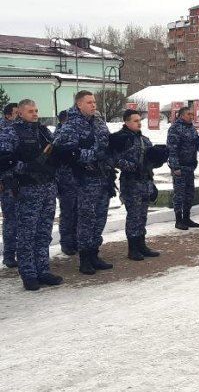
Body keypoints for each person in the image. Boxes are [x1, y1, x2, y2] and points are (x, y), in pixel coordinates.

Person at [0, 99, 62, 290]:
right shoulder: (11, 132)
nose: (35, 114)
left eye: (36, 110)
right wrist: (26, 167)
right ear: (19, 112)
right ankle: (28, 274)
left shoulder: (43, 130)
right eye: (30, 111)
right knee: (27, 234)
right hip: (27, 190)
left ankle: (43, 270)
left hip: (47, 188)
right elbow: (4, 161)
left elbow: (53, 151)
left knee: (44, 233)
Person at [53, 90, 114, 275]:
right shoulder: (70, 126)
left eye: (94, 102)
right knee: (86, 220)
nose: (93, 105)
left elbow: (107, 145)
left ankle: (95, 253)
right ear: (79, 104)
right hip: (83, 180)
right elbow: (69, 153)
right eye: (89, 102)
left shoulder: (99, 122)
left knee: (100, 217)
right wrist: (95, 155)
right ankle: (85, 258)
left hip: (103, 177)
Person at [110, 109, 168, 260]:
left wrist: (158, 159)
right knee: (134, 216)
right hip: (131, 182)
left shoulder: (145, 139)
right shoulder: (121, 139)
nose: (139, 123)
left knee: (142, 215)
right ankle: (133, 248)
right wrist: (134, 167)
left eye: (139, 120)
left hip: (145, 181)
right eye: (135, 121)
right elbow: (115, 160)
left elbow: (150, 161)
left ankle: (142, 244)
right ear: (127, 122)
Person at [167, 106, 199, 230]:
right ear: (181, 116)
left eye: (192, 114)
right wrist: (175, 167)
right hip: (179, 167)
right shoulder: (175, 128)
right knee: (179, 194)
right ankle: (178, 220)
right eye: (189, 114)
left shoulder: (191, 128)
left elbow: (196, 145)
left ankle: (187, 217)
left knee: (189, 193)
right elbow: (172, 149)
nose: (192, 116)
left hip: (190, 166)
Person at [53, 109, 78, 255]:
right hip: (64, 180)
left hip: (76, 179)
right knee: (68, 212)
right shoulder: (59, 135)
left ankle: (75, 240)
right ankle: (66, 243)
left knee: (77, 212)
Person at [1, 102, 19, 268]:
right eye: (16, 113)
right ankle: (8, 255)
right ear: (8, 115)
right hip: (6, 182)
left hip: (20, 181)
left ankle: (19, 252)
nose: (18, 116)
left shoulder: (19, 130)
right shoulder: (3, 132)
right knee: (11, 219)